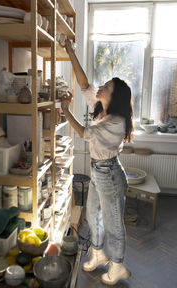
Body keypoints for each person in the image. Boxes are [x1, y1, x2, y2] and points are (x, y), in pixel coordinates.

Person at [61, 39, 133, 285]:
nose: (100, 87)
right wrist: (71, 51)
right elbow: (84, 83)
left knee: (114, 224)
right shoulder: (102, 109)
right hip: (99, 171)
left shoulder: (117, 122)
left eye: (106, 87)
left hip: (111, 175)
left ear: (115, 97)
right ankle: (99, 253)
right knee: (93, 216)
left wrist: (65, 109)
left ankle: (118, 265)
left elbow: (83, 133)